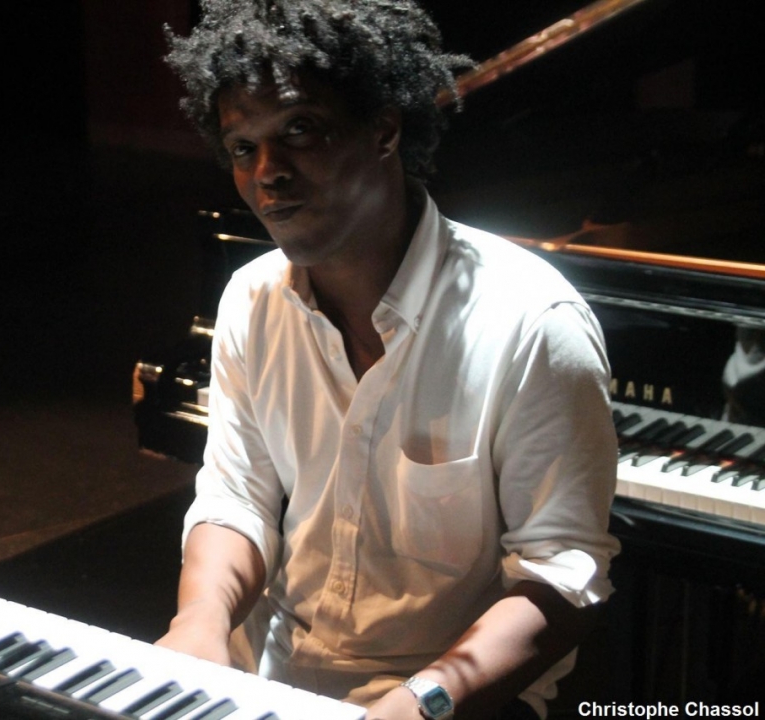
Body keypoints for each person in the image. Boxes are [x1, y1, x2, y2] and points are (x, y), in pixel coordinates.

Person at [155, 2, 621, 719]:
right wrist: (200, 623)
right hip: (270, 677)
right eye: (243, 148)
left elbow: (560, 575)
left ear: (384, 131)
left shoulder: (532, 321)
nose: (267, 173)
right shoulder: (251, 297)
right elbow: (237, 498)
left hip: (450, 699)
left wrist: (419, 703)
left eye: (300, 129)